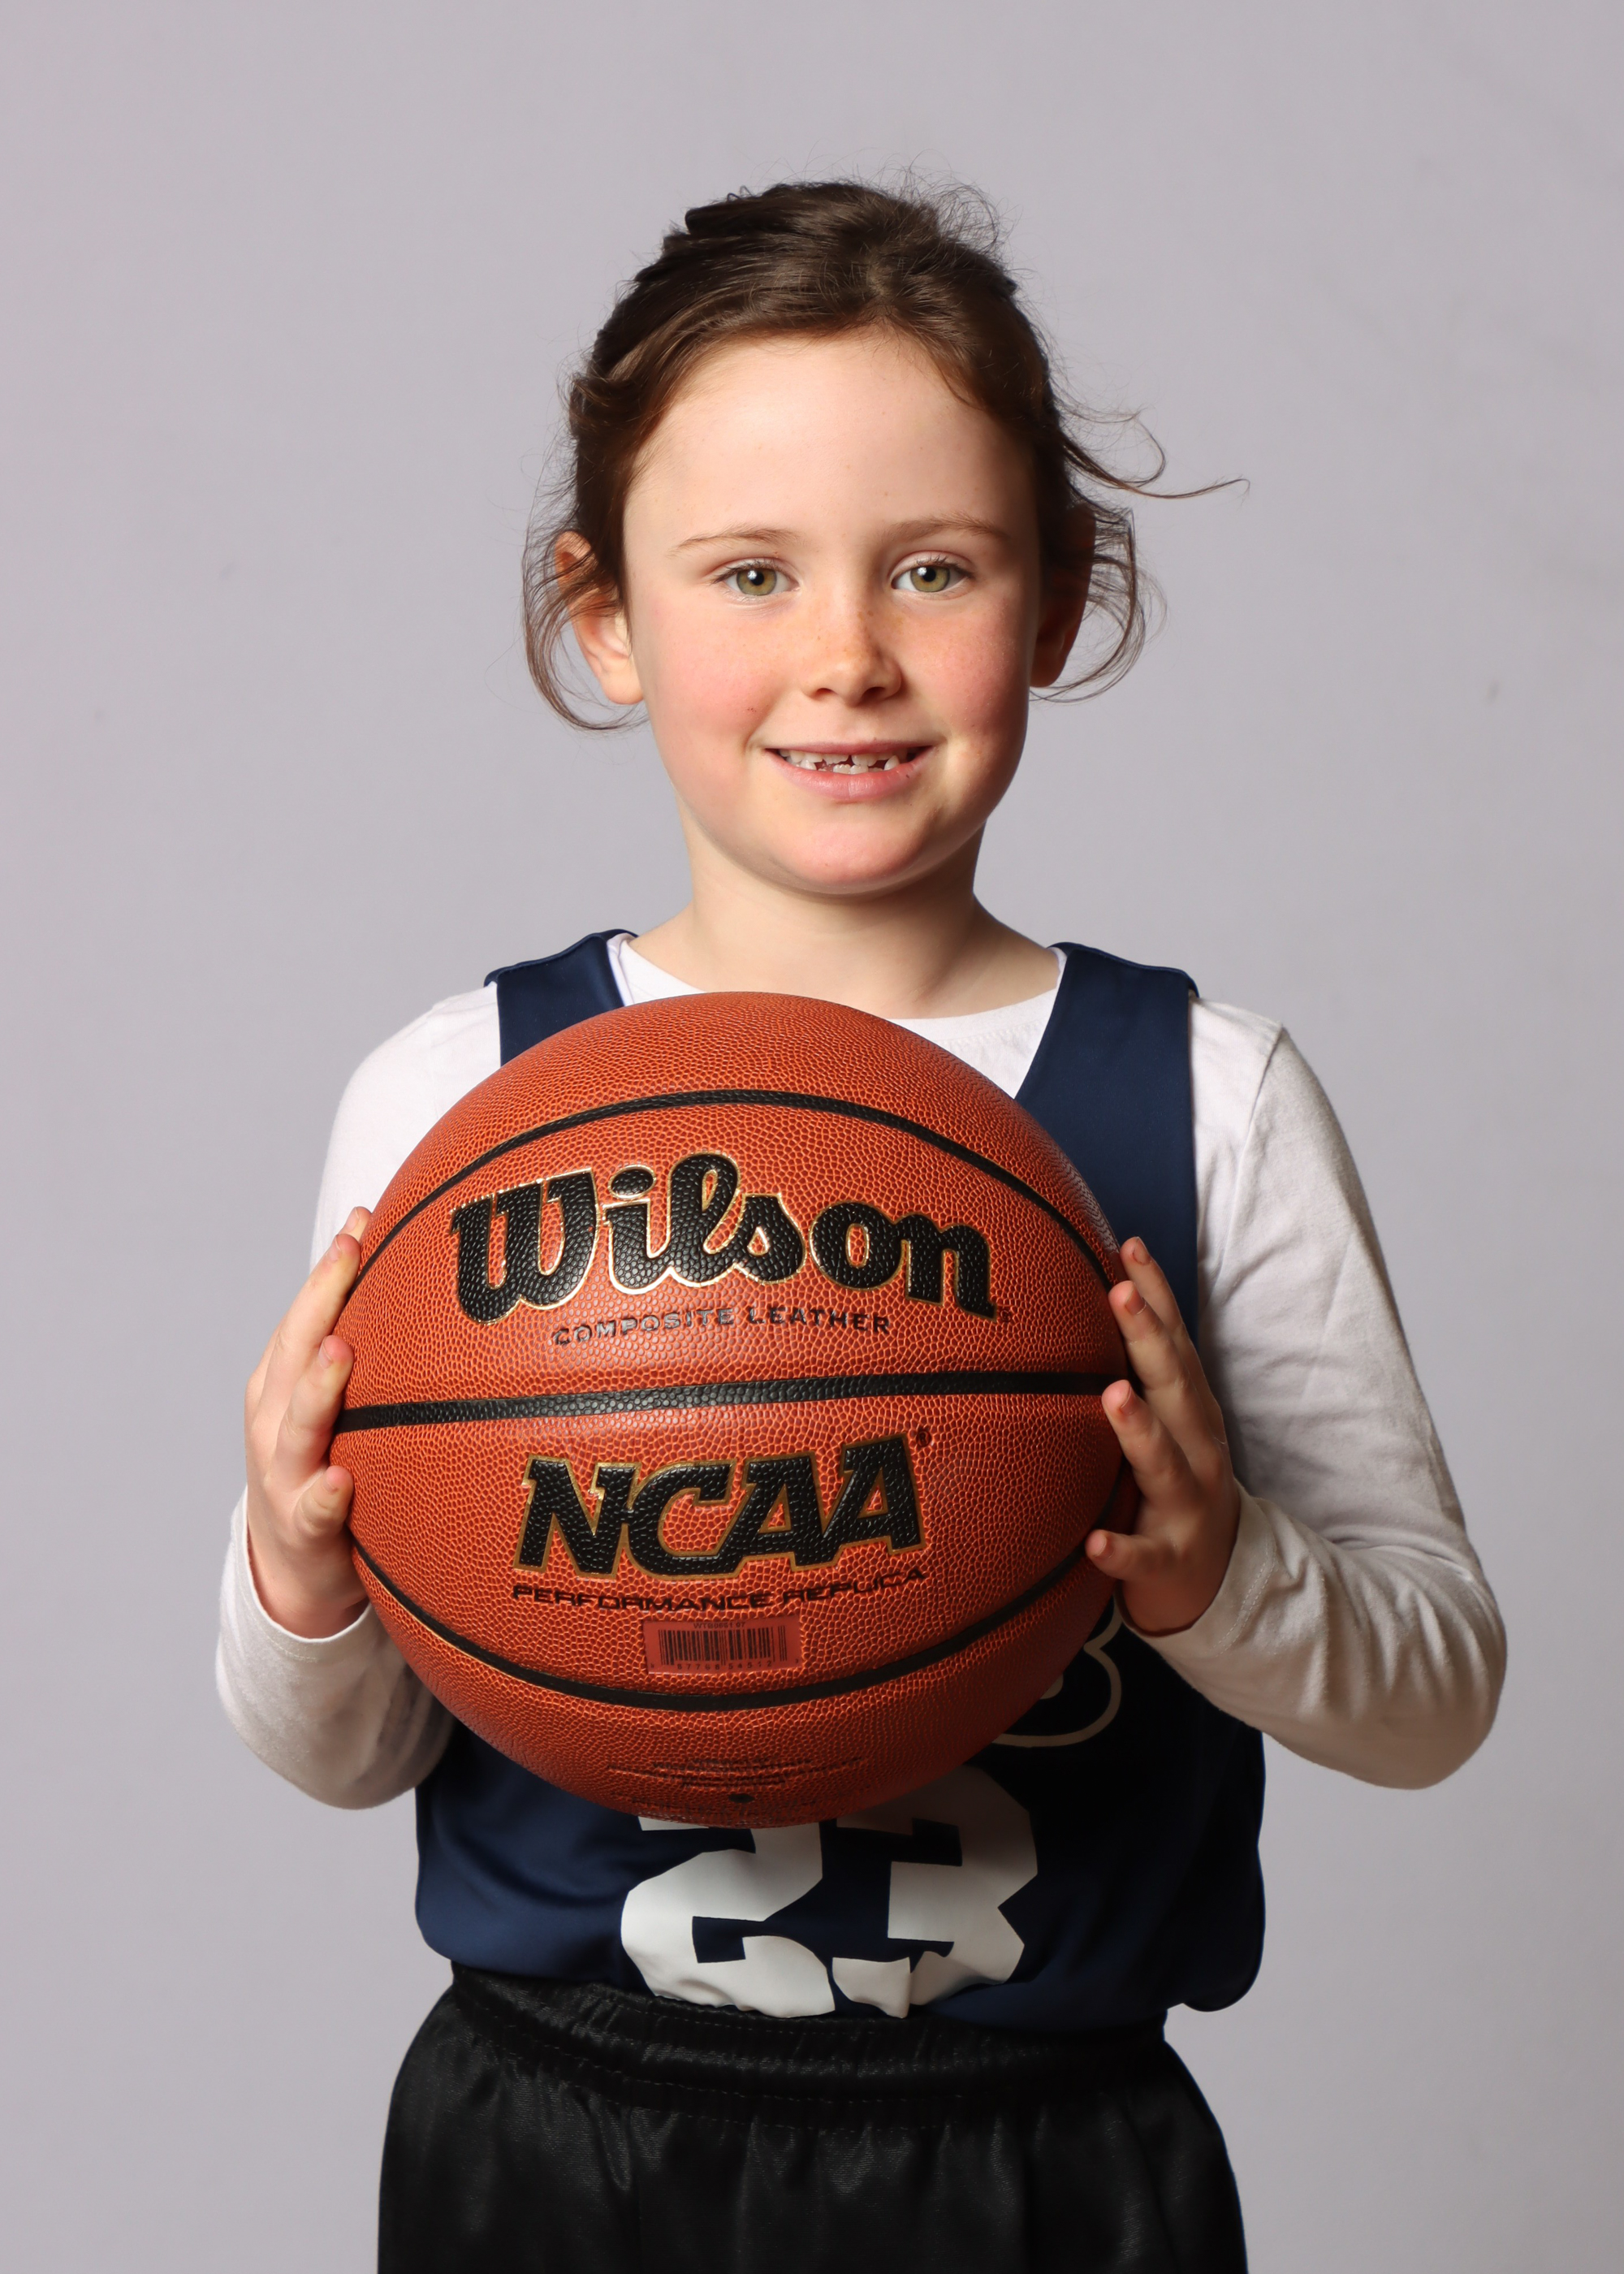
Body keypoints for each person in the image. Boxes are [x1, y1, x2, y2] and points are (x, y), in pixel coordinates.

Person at [218, 180, 1505, 2273]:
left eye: (936, 567)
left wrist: (1221, 1576)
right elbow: (337, 1759)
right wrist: (303, 1573)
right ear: (605, 614)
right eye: (752, 572)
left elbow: (1437, 1689)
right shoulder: (459, 1105)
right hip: (560, 2142)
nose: (848, 654)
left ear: (1057, 601)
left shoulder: (1206, 1098)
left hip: (1040, 2156)